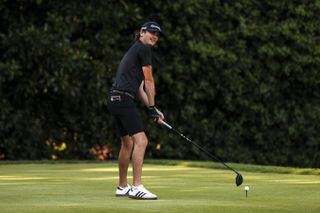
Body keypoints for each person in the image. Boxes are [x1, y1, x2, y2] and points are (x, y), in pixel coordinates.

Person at [107, 21, 164, 200]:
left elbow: (139, 89)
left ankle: (123, 186)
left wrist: (152, 108)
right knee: (142, 141)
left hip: (115, 99)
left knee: (128, 143)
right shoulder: (143, 49)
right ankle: (137, 187)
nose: (154, 36)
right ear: (142, 33)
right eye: (151, 33)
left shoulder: (135, 50)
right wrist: (152, 108)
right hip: (123, 99)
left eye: (157, 34)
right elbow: (149, 81)